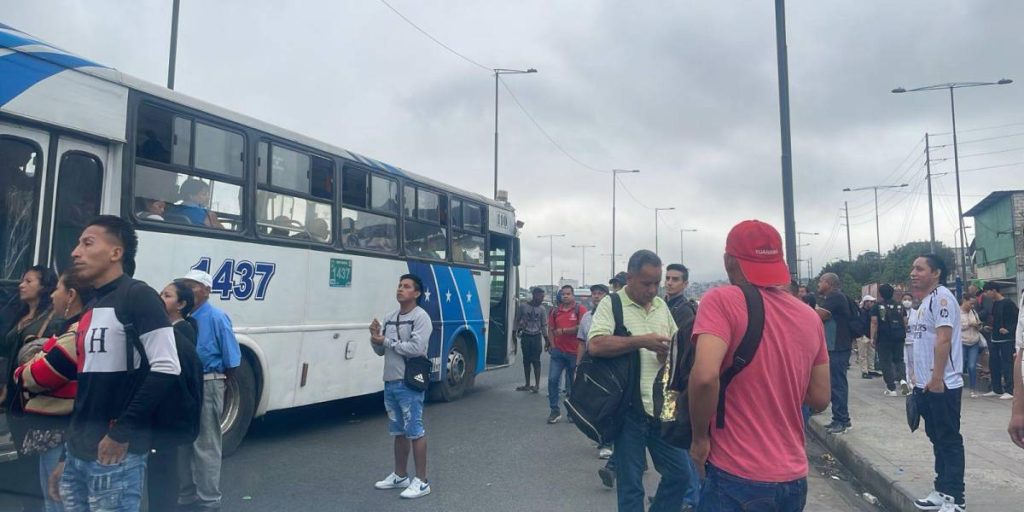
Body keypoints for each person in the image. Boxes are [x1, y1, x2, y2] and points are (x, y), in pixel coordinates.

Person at [689, 220, 830, 511]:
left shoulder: (721, 301)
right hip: (793, 479)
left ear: (729, 260)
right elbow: (820, 398)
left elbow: (704, 377)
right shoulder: (809, 317)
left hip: (735, 475)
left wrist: (700, 438)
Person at [57, 215, 181, 511]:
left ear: (116, 253)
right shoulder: (92, 305)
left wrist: (120, 432)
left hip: (114, 456)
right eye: (77, 244)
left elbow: (167, 367)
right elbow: (86, 388)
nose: (75, 252)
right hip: (77, 454)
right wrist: (65, 456)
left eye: (88, 243)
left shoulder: (138, 296)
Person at [588, 250, 697, 512]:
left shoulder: (661, 307)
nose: (653, 290)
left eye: (656, 283)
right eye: (646, 283)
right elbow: (596, 344)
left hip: (661, 410)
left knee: (680, 475)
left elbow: (674, 347)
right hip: (628, 410)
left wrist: (667, 354)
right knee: (631, 487)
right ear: (630, 278)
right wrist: (641, 341)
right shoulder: (612, 304)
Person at [14, 270, 94, 512]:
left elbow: (34, 375)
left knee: (57, 501)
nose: (53, 295)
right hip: (54, 432)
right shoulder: (68, 329)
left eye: (57, 289)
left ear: (71, 295)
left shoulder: (74, 332)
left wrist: (23, 370)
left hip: (59, 433)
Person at [176, 270, 241, 511]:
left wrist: (217, 385)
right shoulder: (184, 317)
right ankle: (187, 494)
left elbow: (232, 360)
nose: (187, 289)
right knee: (184, 441)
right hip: (187, 384)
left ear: (206, 290)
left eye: (192, 286)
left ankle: (209, 500)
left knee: (206, 443)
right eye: (184, 285)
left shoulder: (216, 317)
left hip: (208, 381)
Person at [907, 254, 966, 512]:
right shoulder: (924, 303)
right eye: (913, 269)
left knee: (949, 439)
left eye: (920, 269)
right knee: (936, 438)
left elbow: (943, 339)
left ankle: (955, 498)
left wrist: (938, 378)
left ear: (936, 273)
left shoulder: (942, 298)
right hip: (925, 385)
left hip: (943, 384)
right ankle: (941, 490)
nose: (913, 273)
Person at [370, 274, 432, 499]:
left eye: (406, 287)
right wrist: (374, 336)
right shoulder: (389, 317)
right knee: (398, 431)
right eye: (399, 285)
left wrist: (385, 341)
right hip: (391, 381)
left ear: (416, 293)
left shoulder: (421, 317)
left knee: (415, 429)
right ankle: (400, 475)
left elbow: (416, 348)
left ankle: (422, 481)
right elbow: (381, 351)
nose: (400, 289)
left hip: (409, 382)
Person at [148, 281, 201, 512]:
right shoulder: (168, 328)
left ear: (181, 304)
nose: (161, 298)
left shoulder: (182, 332)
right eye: (160, 293)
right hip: (167, 418)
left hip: (172, 415)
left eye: (167, 295)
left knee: (165, 470)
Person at [575, 284, 613, 463]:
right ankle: (601, 436)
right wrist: (578, 366)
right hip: (591, 364)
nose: (596, 297)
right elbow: (582, 342)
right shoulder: (586, 317)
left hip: (609, 366)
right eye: (594, 294)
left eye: (600, 293)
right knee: (595, 403)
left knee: (608, 404)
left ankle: (608, 442)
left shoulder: (614, 315)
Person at [816, 272, 853, 435]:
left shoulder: (835, 297)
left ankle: (842, 420)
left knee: (838, 384)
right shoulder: (833, 298)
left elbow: (818, 316)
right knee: (834, 383)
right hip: (834, 346)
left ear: (829, 283)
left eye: (821, 281)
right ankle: (838, 418)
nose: (818, 284)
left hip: (838, 346)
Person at [546, 285, 586, 424]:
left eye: (568, 294)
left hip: (575, 353)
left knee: (573, 384)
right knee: (552, 380)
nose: (566, 296)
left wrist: (563, 331)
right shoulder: (555, 311)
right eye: (563, 294)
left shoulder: (580, 309)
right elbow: (550, 329)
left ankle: (572, 412)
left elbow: (582, 327)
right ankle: (554, 411)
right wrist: (552, 345)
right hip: (558, 353)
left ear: (573, 295)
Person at [870, 284, 909, 397]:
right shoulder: (899, 306)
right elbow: (905, 321)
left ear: (881, 294)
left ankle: (891, 388)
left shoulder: (877, 306)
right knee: (899, 360)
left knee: (886, 362)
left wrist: (873, 337)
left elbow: (874, 322)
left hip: (884, 336)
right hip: (899, 336)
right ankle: (903, 381)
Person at [982, 282, 1017, 399]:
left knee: (1007, 364)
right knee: (994, 363)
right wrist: (991, 327)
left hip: (1006, 339)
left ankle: (1010, 390)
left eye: (987, 291)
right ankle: (996, 388)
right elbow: (996, 320)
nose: (986, 294)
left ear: (994, 290)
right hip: (995, 338)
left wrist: (1008, 330)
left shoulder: (1008, 303)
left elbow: (1016, 320)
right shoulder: (994, 304)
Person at [513, 287, 548, 393]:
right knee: (526, 360)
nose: (542, 298)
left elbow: (543, 325)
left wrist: (546, 339)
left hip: (536, 337)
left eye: (543, 296)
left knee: (536, 360)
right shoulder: (523, 306)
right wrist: (514, 333)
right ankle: (527, 384)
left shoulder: (542, 309)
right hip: (526, 336)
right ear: (534, 295)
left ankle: (537, 385)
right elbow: (517, 319)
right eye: (540, 296)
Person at [959, 295, 983, 399]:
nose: (972, 306)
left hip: (974, 341)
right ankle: (957, 387)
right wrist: (968, 324)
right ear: (964, 301)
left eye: (973, 304)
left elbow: (979, 325)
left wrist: (977, 325)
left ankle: (973, 389)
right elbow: (955, 327)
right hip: (962, 342)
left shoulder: (973, 312)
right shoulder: (957, 312)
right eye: (970, 303)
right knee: (960, 365)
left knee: (972, 366)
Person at [856, 295, 877, 379]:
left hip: (870, 335)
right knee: (863, 354)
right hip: (862, 335)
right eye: (870, 301)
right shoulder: (860, 312)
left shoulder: (872, 312)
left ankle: (871, 369)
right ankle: (864, 371)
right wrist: (861, 334)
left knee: (871, 354)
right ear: (865, 302)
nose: (872, 303)